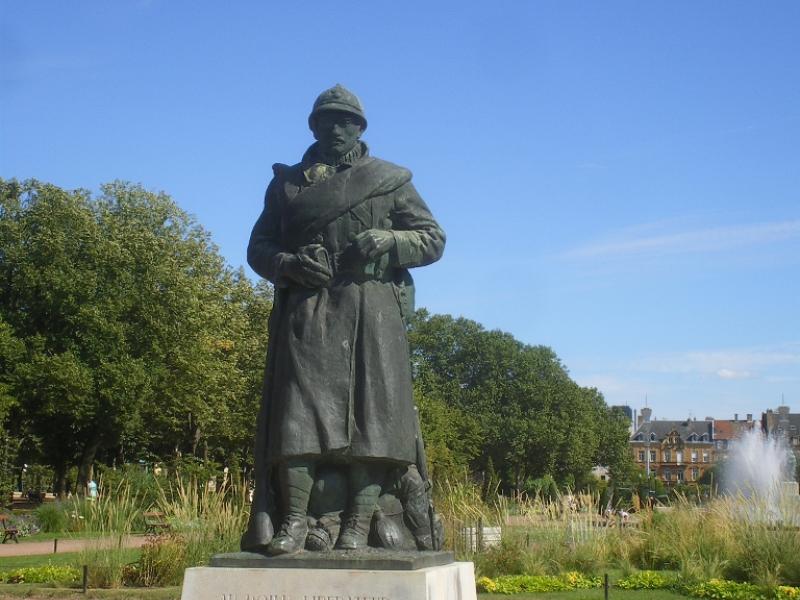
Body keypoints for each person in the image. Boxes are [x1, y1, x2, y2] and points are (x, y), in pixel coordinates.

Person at [241, 85, 445, 555]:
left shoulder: (389, 179)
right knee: (298, 420)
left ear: (360, 127)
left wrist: (391, 240)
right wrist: (288, 264)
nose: (335, 128)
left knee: (374, 422)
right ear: (312, 126)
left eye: (345, 120)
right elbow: (258, 247)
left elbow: (432, 239)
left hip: (372, 313)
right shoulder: (288, 184)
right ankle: (293, 523)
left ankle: (356, 524)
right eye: (326, 120)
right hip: (308, 312)